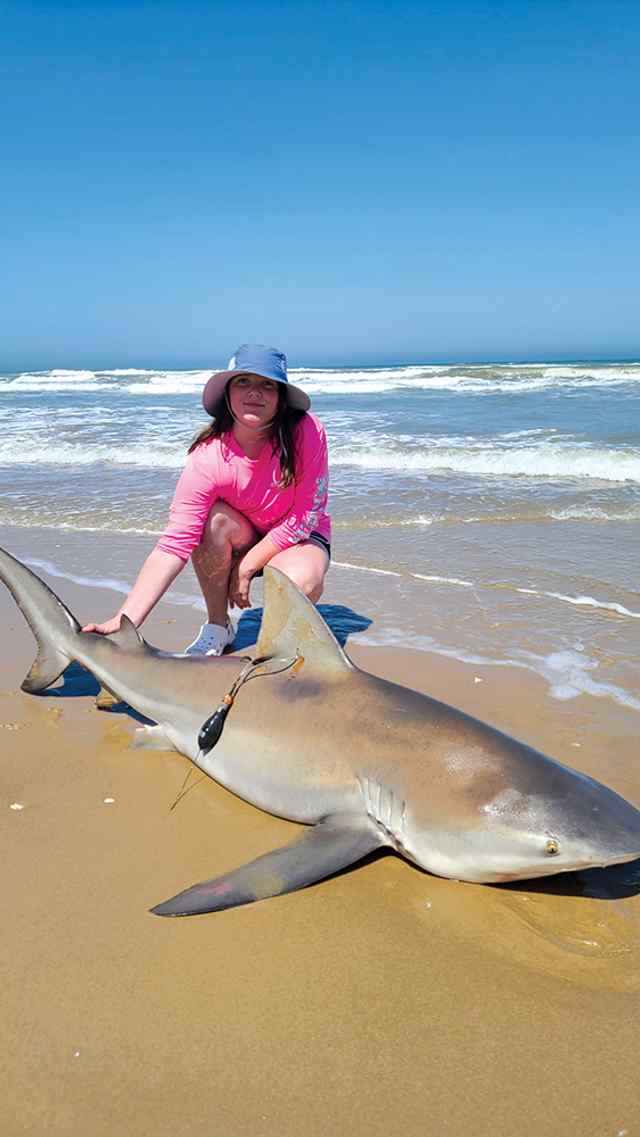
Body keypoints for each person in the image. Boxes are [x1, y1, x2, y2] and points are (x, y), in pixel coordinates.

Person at [82, 344, 331, 654]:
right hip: (243, 535)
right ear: (227, 393)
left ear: (281, 397)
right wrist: (125, 620)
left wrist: (247, 566)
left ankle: (279, 643)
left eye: (268, 384)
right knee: (211, 521)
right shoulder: (208, 456)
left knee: (302, 581)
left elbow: (306, 516)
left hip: (298, 539)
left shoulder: (306, 431)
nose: (255, 392)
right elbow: (174, 543)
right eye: (243, 381)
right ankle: (218, 626)